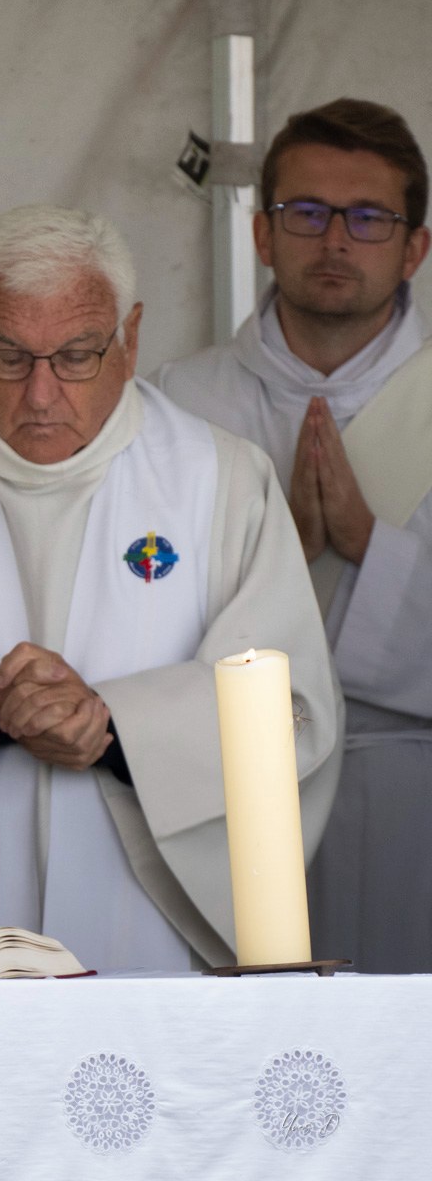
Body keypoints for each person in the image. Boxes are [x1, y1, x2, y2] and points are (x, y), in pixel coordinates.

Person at [0, 204, 339, 972]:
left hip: (151, 932)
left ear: (131, 337)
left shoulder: (221, 481)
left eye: (77, 356)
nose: (41, 394)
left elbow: (293, 715)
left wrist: (116, 727)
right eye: (9, 357)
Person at [158, 98, 432, 971]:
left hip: (409, 783)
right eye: (306, 213)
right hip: (222, 788)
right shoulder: (175, 404)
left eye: (369, 218)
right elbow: (127, 610)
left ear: (415, 246)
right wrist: (273, 549)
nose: (335, 240)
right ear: (263, 234)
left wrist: (367, 545)